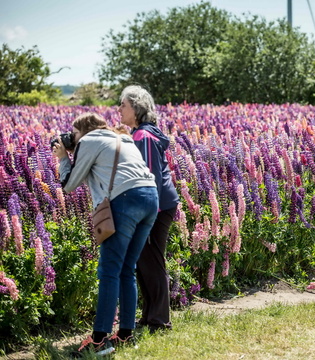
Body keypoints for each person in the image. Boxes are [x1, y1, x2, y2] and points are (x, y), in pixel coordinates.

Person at [52, 112, 158, 356]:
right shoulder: (122, 138)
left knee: (109, 271)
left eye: (74, 133)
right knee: (126, 269)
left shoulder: (89, 141)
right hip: (150, 198)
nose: (71, 138)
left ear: (84, 131)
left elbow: (68, 185)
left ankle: (99, 340)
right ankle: (126, 334)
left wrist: (63, 158)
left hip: (125, 201)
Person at [119, 85, 180, 332]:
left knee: (151, 260)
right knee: (143, 260)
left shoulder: (143, 136)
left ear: (136, 108)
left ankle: (160, 320)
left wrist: (145, 212)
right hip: (154, 205)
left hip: (155, 206)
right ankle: (149, 316)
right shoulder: (140, 133)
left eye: (123, 104)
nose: (119, 109)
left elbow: (150, 175)